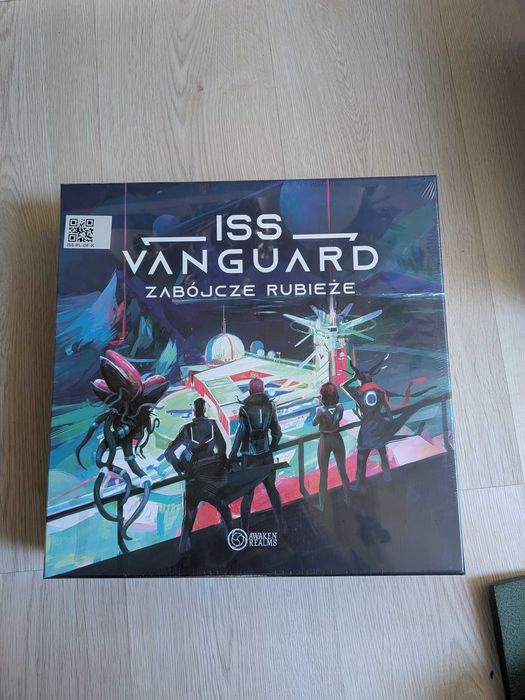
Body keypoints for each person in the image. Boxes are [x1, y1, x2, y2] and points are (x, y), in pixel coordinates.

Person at [165, 397, 232, 553]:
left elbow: (169, 453)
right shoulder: (213, 425)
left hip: (194, 478)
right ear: (205, 410)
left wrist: (180, 468)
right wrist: (221, 467)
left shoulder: (187, 429)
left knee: (189, 516)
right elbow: (222, 449)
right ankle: (233, 539)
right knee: (224, 508)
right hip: (213, 477)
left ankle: (184, 548)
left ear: (194, 411)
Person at [229, 377, 286, 534]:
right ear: (262, 390)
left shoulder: (244, 410)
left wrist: (233, 453)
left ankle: (245, 531)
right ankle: (282, 525)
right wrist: (273, 445)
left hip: (250, 458)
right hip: (266, 455)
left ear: (250, 391)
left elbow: (241, 433)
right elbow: (277, 432)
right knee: (272, 490)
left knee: (248, 495)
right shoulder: (270, 406)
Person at [312, 382, 351, 510]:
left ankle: (322, 505)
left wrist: (319, 407)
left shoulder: (319, 410)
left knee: (323, 474)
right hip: (337, 438)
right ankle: (349, 499)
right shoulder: (340, 407)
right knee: (342, 471)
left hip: (325, 440)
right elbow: (338, 417)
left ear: (323, 397)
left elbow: (314, 423)